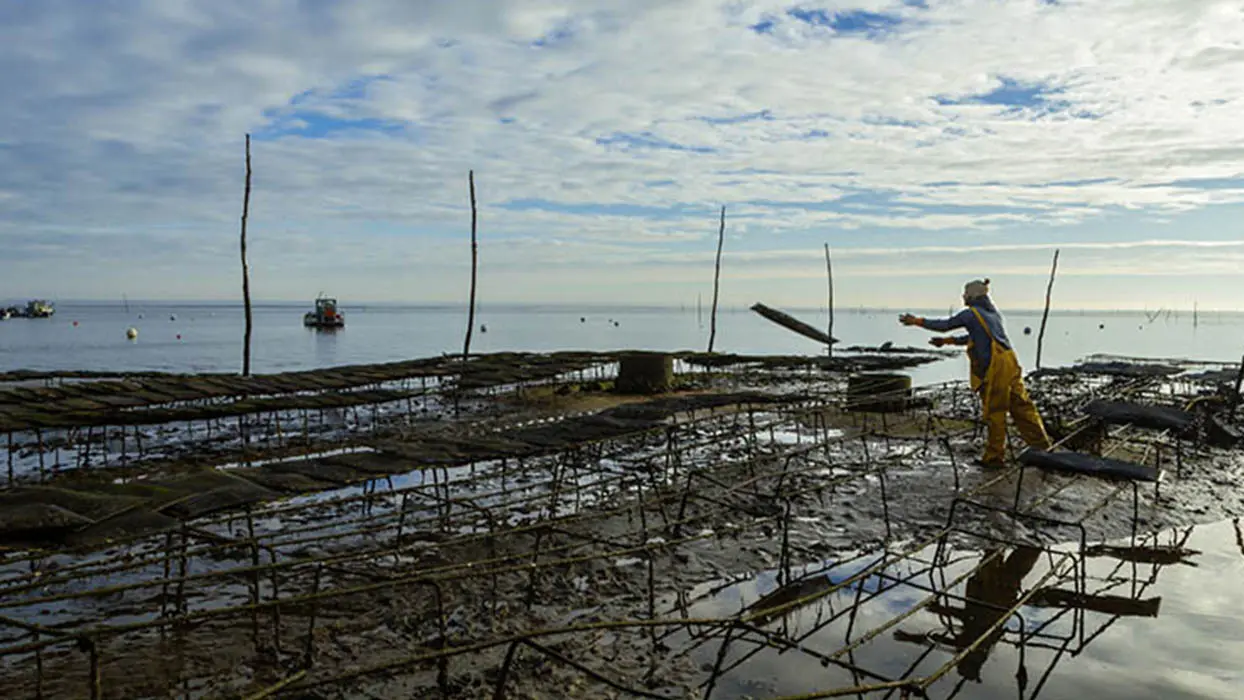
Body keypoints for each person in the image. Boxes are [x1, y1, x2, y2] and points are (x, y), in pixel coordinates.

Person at [898, 279, 1052, 467]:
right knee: (1022, 406)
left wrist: (917, 321)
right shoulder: (993, 314)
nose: (963, 297)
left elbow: (945, 324)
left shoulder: (970, 314)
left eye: (965, 294)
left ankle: (994, 457)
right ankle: (1043, 448)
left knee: (995, 412)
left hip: (997, 367)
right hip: (1010, 362)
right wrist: (947, 342)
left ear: (972, 296)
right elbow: (975, 338)